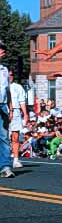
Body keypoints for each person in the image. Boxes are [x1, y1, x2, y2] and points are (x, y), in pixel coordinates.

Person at [9, 67, 28, 168]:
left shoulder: (18, 87)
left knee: (15, 137)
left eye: (11, 75)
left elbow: (22, 102)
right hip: (3, 110)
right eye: (8, 75)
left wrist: (25, 114)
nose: (9, 77)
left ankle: (16, 160)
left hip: (16, 111)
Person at [0, 42, 14, 178]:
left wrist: (11, 108)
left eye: (4, 48)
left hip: (3, 105)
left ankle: (5, 166)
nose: (3, 51)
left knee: (4, 137)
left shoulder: (4, 70)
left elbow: (7, 90)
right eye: (0, 48)